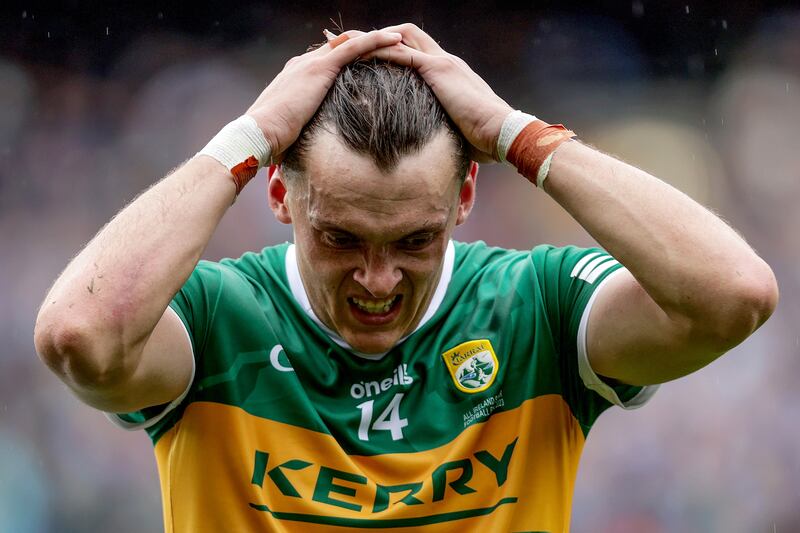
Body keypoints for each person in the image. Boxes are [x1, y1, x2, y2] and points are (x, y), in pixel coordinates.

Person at [33, 24, 778, 532]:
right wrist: (249, 137)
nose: (379, 279)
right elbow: (79, 335)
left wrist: (516, 134)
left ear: (465, 199)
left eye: (414, 240)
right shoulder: (217, 315)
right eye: (341, 237)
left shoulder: (534, 306)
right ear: (279, 195)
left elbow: (732, 295)